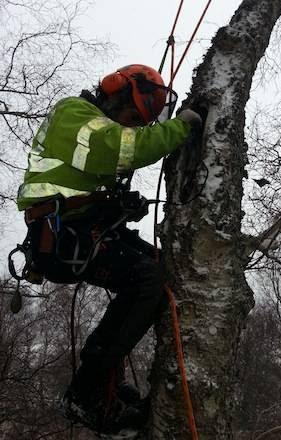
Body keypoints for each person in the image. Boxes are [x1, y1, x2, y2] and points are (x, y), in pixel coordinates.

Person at [16, 64, 202, 435]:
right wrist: (181, 126)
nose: (132, 127)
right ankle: (86, 394)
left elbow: (87, 175)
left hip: (84, 226)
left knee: (158, 269)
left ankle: (107, 383)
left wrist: (117, 204)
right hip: (62, 233)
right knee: (146, 280)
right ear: (115, 94)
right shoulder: (73, 113)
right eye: (132, 116)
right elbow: (118, 149)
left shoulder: (90, 127)